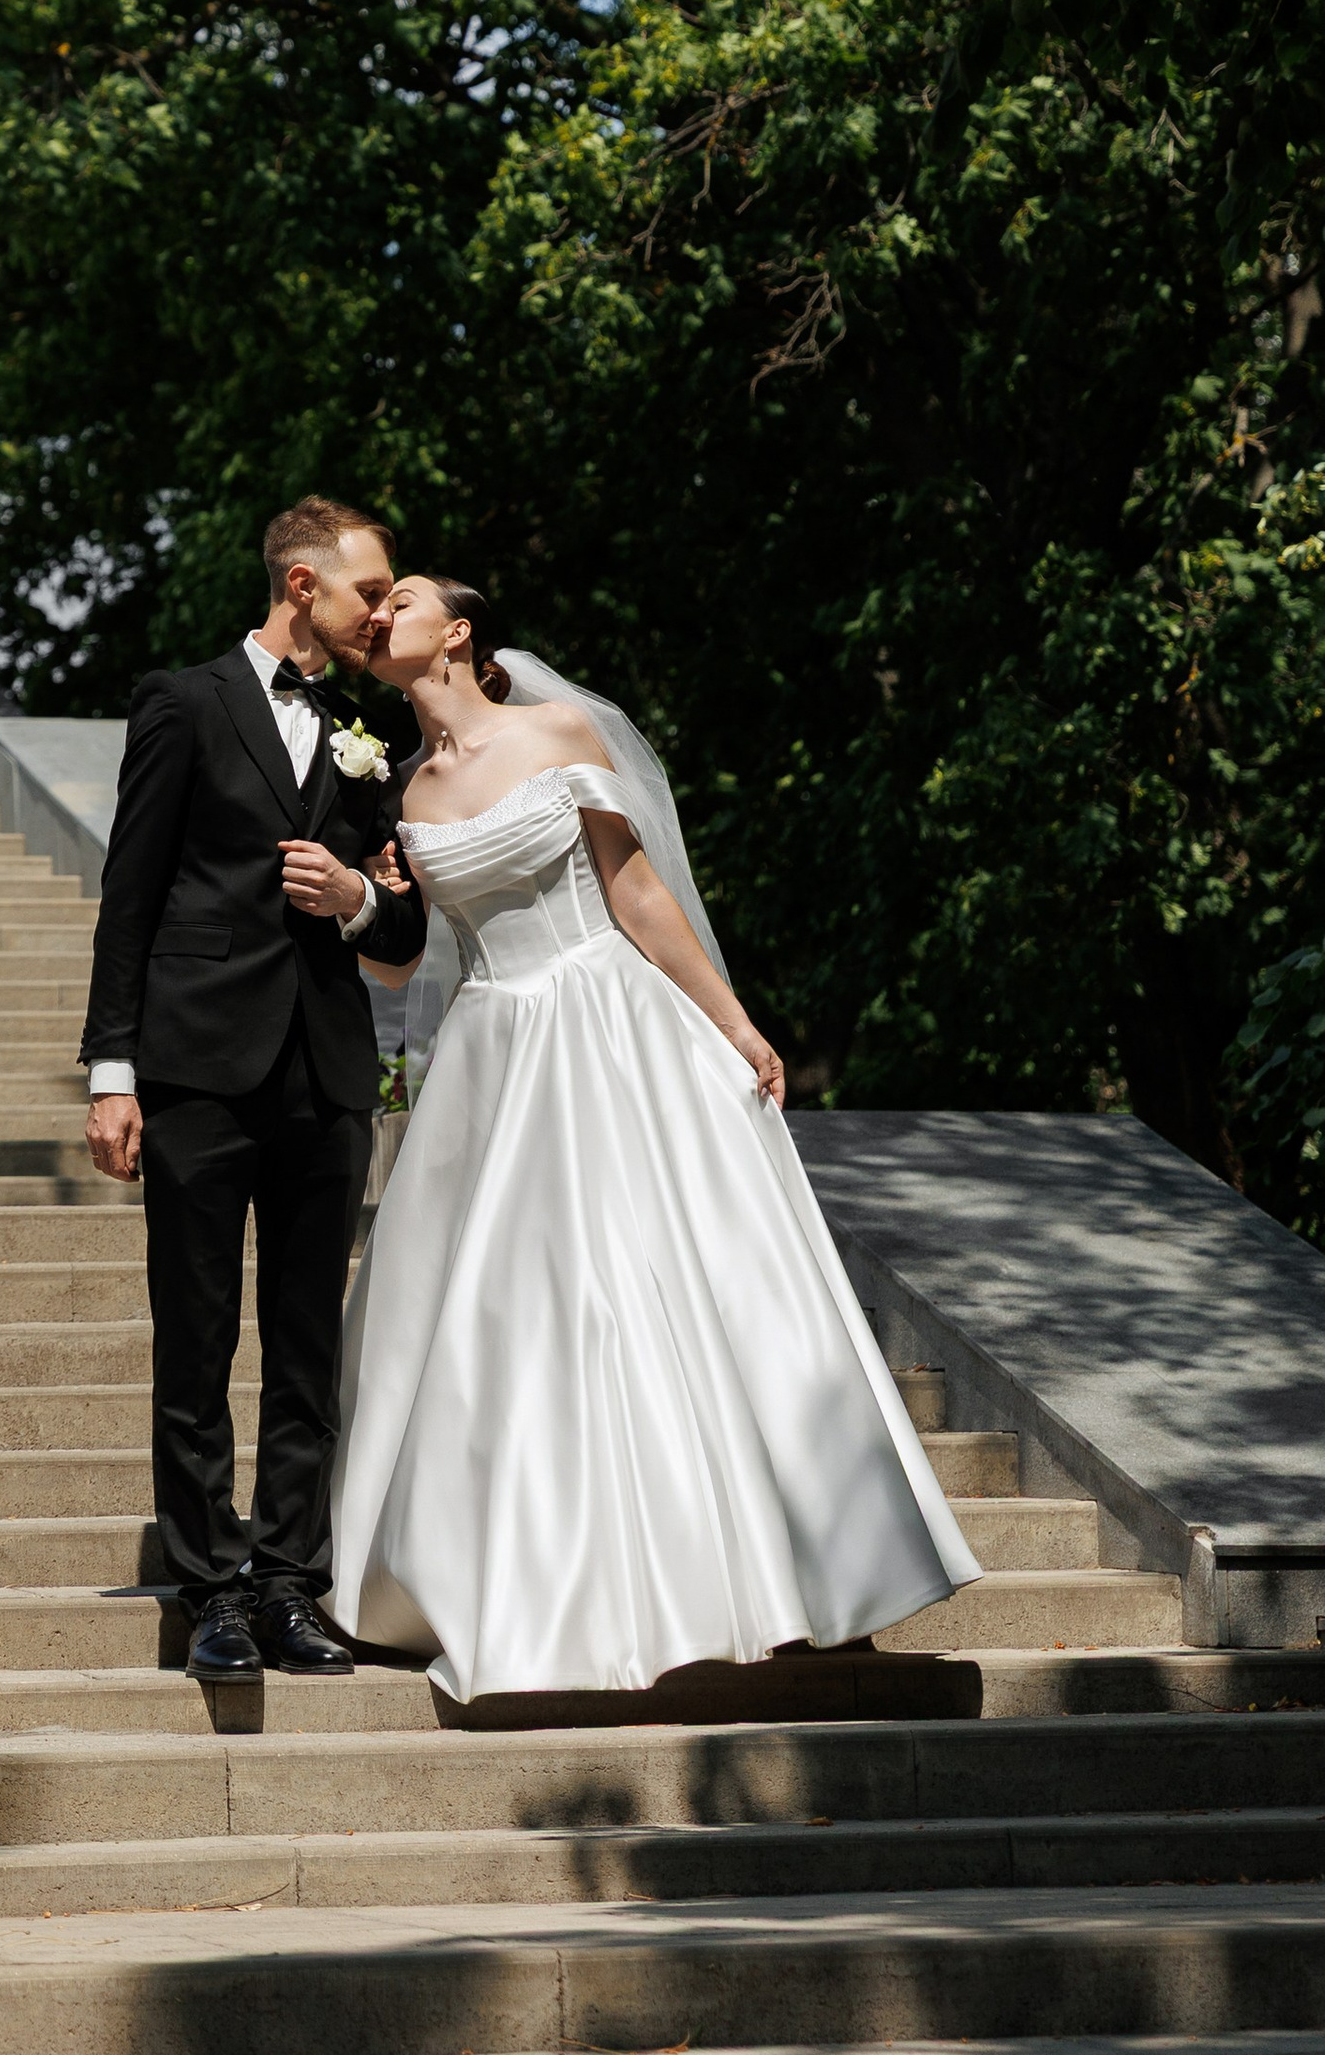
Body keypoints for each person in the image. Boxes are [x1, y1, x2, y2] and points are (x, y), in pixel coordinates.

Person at [328, 574, 979, 1701]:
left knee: (682, 1284)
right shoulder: (402, 788)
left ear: (459, 631)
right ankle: (539, 1586)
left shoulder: (555, 733)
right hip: (492, 1051)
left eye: (405, 599)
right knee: (517, 1315)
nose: (380, 613)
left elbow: (632, 891)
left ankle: (795, 1573)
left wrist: (733, 1022)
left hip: (609, 1022)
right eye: (374, 605)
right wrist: (354, 902)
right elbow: (403, 965)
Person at [80, 498, 432, 1680]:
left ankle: (288, 1583)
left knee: (305, 1347)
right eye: (367, 591)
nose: (379, 613)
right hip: (193, 1067)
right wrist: (112, 1072)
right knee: (195, 1339)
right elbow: (130, 895)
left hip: (325, 1072)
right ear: (300, 584)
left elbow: (405, 929)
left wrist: (359, 900)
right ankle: (210, 1594)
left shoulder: (368, 731)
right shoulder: (181, 703)